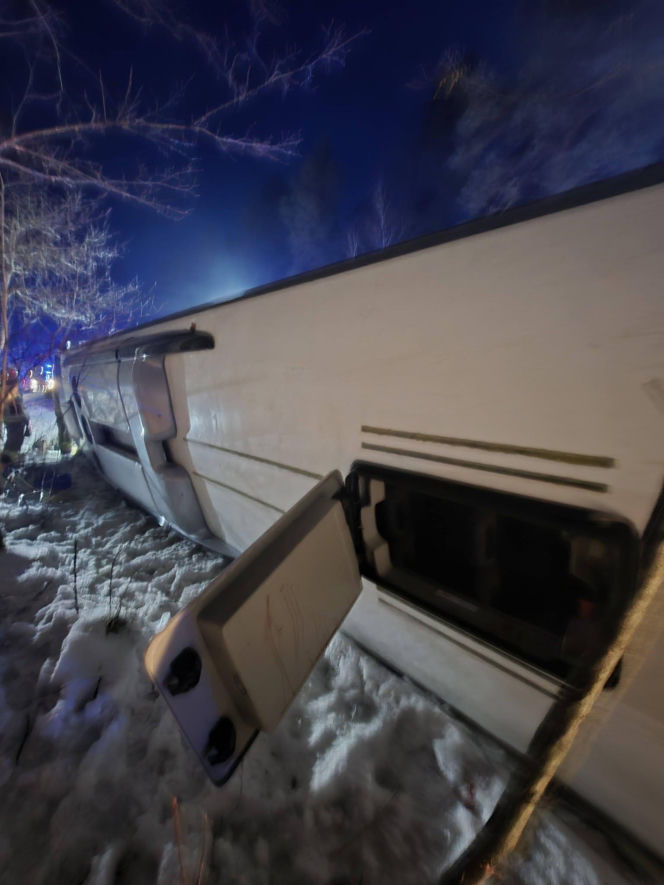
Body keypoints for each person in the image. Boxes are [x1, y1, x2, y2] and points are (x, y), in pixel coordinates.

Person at [2, 370, 30, 464]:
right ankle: (7, 461)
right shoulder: (7, 392)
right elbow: (14, 409)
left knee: (16, 441)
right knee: (13, 441)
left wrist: (26, 417)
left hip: (17, 420)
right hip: (14, 421)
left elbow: (21, 407)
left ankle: (10, 459)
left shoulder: (14, 392)